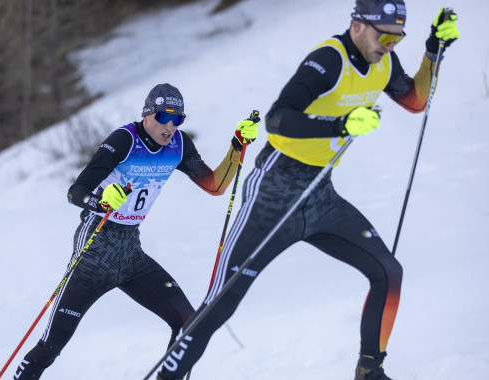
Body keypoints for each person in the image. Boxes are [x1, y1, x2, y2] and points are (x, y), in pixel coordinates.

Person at [155, 2, 459, 380]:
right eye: (385, 35)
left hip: (320, 195)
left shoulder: (384, 62)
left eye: (399, 37)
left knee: (388, 271)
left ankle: (370, 371)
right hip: (273, 194)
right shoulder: (328, 61)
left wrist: (433, 50)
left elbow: (415, 101)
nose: (391, 45)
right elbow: (277, 120)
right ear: (359, 25)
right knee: (222, 301)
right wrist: (341, 125)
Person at [12, 83, 260, 379]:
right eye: (164, 117)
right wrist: (100, 201)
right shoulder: (124, 140)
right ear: (147, 115)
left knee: (189, 323)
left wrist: (237, 145)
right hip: (95, 249)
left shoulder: (179, 145)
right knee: (52, 344)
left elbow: (215, 185)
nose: (170, 126)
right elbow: (76, 191)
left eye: (177, 119)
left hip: (130, 252)